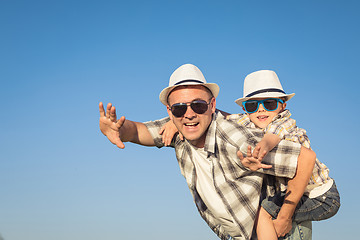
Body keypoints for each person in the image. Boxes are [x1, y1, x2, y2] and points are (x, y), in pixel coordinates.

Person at [99, 64, 316, 240]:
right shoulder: (178, 129)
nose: (189, 114)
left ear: (212, 106)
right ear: (170, 111)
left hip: (280, 231)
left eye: (198, 106)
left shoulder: (234, 137)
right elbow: (140, 130)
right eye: (180, 108)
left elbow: (304, 158)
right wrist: (118, 128)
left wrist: (285, 217)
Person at [232, 70, 340, 239]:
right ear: (246, 110)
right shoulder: (250, 121)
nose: (261, 109)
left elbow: (271, 137)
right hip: (293, 195)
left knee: (261, 213)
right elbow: (221, 119)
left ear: (282, 106)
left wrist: (262, 147)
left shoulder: (284, 122)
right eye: (253, 105)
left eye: (269, 103)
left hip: (321, 196)